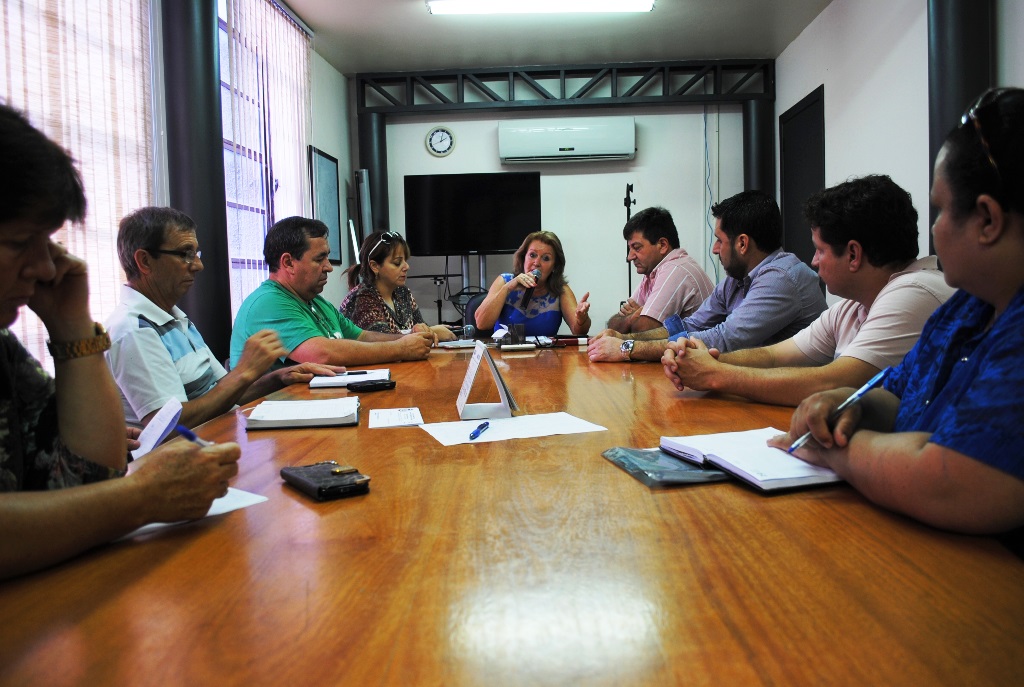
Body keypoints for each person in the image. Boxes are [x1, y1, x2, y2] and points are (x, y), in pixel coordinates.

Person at [0, 103, 241, 580]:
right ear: (144, 261)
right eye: (19, 242)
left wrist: (72, 328)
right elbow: (114, 485)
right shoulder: (134, 326)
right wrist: (142, 497)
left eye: (47, 244)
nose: (47, 268)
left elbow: (90, 476)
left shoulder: (4, 352)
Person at [769, 88, 1024, 536]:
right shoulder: (968, 307)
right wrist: (849, 407)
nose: (934, 229)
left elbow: (952, 482)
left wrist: (830, 448)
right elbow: (897, 392)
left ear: (987, 220)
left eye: (940, 210)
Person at [662, 175, 954, 405]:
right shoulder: (852, 307)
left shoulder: (913, 291)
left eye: (820, 250)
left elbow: (832, 383)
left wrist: (716, 375)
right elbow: (775, 356)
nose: (813, 261)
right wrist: (704, 359)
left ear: (853, 255)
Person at [106, 207, 343, 429]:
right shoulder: (134, 329)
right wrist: (245, 372)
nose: (198, 265)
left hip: (222, 436)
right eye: (185, 254)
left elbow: (225, 392)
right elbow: (169, 428)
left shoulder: (176, 318)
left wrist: (279, 378)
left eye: (196, 253)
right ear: (145, 261)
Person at [588, 190, 826, 362]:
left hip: (789, 402)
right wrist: (621, 337)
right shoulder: (737, 279)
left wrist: (627, 347)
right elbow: (690, 325)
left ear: (742, 243)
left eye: (719, 240)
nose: (714, 249)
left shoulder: (781, 278)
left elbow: (723, 339)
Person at [230, 217, 433, 369]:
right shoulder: (268, 302)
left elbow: (361, 336)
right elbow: (321, 353)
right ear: (288, 262)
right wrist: (401, 348)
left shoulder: (316, 302)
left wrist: (411, 339)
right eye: (319, 259)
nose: (329, 267)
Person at [606, 206, 714, 334]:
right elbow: (612, 327)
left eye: (637, 247)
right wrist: (632, 318)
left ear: (662, 245)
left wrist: (635, 317)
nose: (630, 257)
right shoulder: (652, 274)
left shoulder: (676, 270)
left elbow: (644, 332)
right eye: (630, 249)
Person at [340, 230, 456, 342]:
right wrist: (432, 331)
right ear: (375, 266)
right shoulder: (361, 299)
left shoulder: (403, 292)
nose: (406, 267)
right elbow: (383, 344)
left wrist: (430, 331)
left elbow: (421, 327)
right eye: (397, 263)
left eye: (405, 260)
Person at [474, 230, 591, 337]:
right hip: (503, 356)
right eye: (532, 255)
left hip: (545, 356)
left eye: (546, 258)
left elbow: (579, 331)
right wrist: (507, 289)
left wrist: (582, 319)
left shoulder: (560, 290)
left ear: (555, 266)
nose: (536, 263)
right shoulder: (504, 281)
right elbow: (481, 324)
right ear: (523, 257)